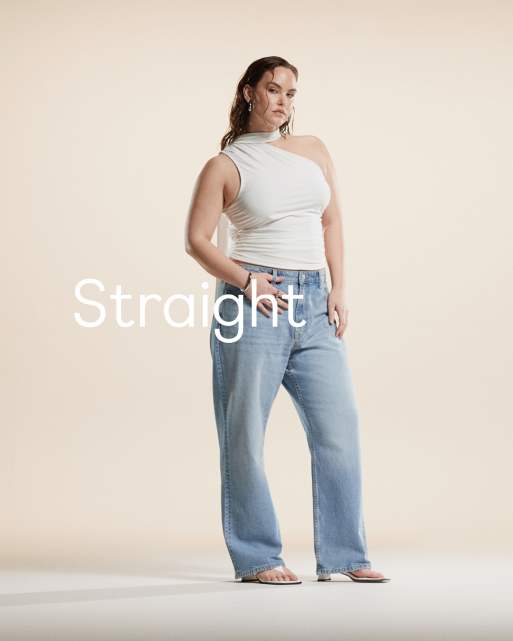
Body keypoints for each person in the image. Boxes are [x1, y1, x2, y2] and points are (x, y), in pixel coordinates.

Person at [185, 56, 390, 585]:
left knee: (339, 430)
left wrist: (338, 288)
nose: (283, 101)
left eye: (291, 93)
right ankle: (258, 557)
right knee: (245, 435)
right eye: (273, 89)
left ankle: (345, 554)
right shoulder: (225, 165)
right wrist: (246, 282)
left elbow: (331, 219)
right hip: (253, 301)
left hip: (315, 301)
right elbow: (197, 241)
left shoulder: (313, 149)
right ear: (249, 92)